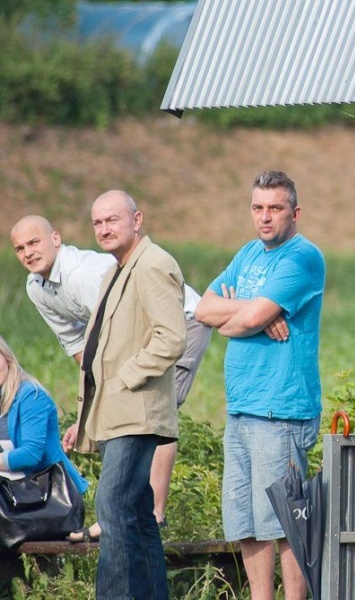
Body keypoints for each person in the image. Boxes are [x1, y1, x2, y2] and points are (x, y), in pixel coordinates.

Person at [10, 214, 211, 538]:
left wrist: (107, 400)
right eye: (20, 248)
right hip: (129, 337)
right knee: (118, 415)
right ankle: (123, 509)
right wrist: (92, 409)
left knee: (154, 410)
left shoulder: (84, 275)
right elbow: (82, 349)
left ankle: (152, 514)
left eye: (34, 242)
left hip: (178, 321)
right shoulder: (36, 287)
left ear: (56, 238)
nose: (28, 252)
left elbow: (127, 329)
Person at [194, 170, 324, 600]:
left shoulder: (302, 258)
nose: (265, 217)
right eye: (258, 208)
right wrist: (255, 312)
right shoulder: (248, 254)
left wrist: (244, 319)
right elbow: (203, 310)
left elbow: (238, 321)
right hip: (241, 408)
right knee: (247, 523)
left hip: (281, 410)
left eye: (275, 208)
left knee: (284, 523)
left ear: (295, 212)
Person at [65, 190, 186, 599]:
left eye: (112, 220)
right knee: (135, 513)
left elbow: (171, 337)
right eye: (97, 222)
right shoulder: (116, 269)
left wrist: (124, 378)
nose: (103, 229)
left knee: (113, 506)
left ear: (137, 220)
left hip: (136, 408)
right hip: (117, 411)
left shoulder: (153, 263)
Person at [0, 336, 88, 497]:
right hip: (14, 490)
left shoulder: (31, 396)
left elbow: (31, 454)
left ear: (5, 356)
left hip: (51, 494)